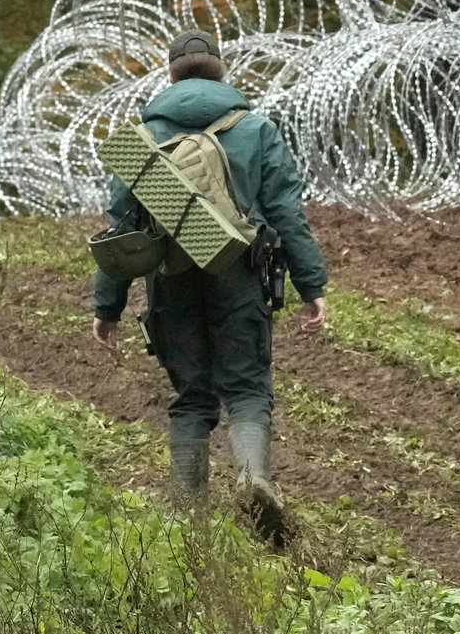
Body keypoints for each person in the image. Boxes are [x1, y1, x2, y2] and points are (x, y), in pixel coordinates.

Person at [90, 29, 329, 539]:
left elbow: (121, 227)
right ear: (221, 71)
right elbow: (287, 212)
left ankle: (186, 520)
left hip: (169, 278)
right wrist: (312, 286)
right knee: (245, 387)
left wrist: (107, 307)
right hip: (240, 273)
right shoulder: (256, 128)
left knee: (193, 397)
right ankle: (252, 480)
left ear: (170, 75)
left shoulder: (144, 137)